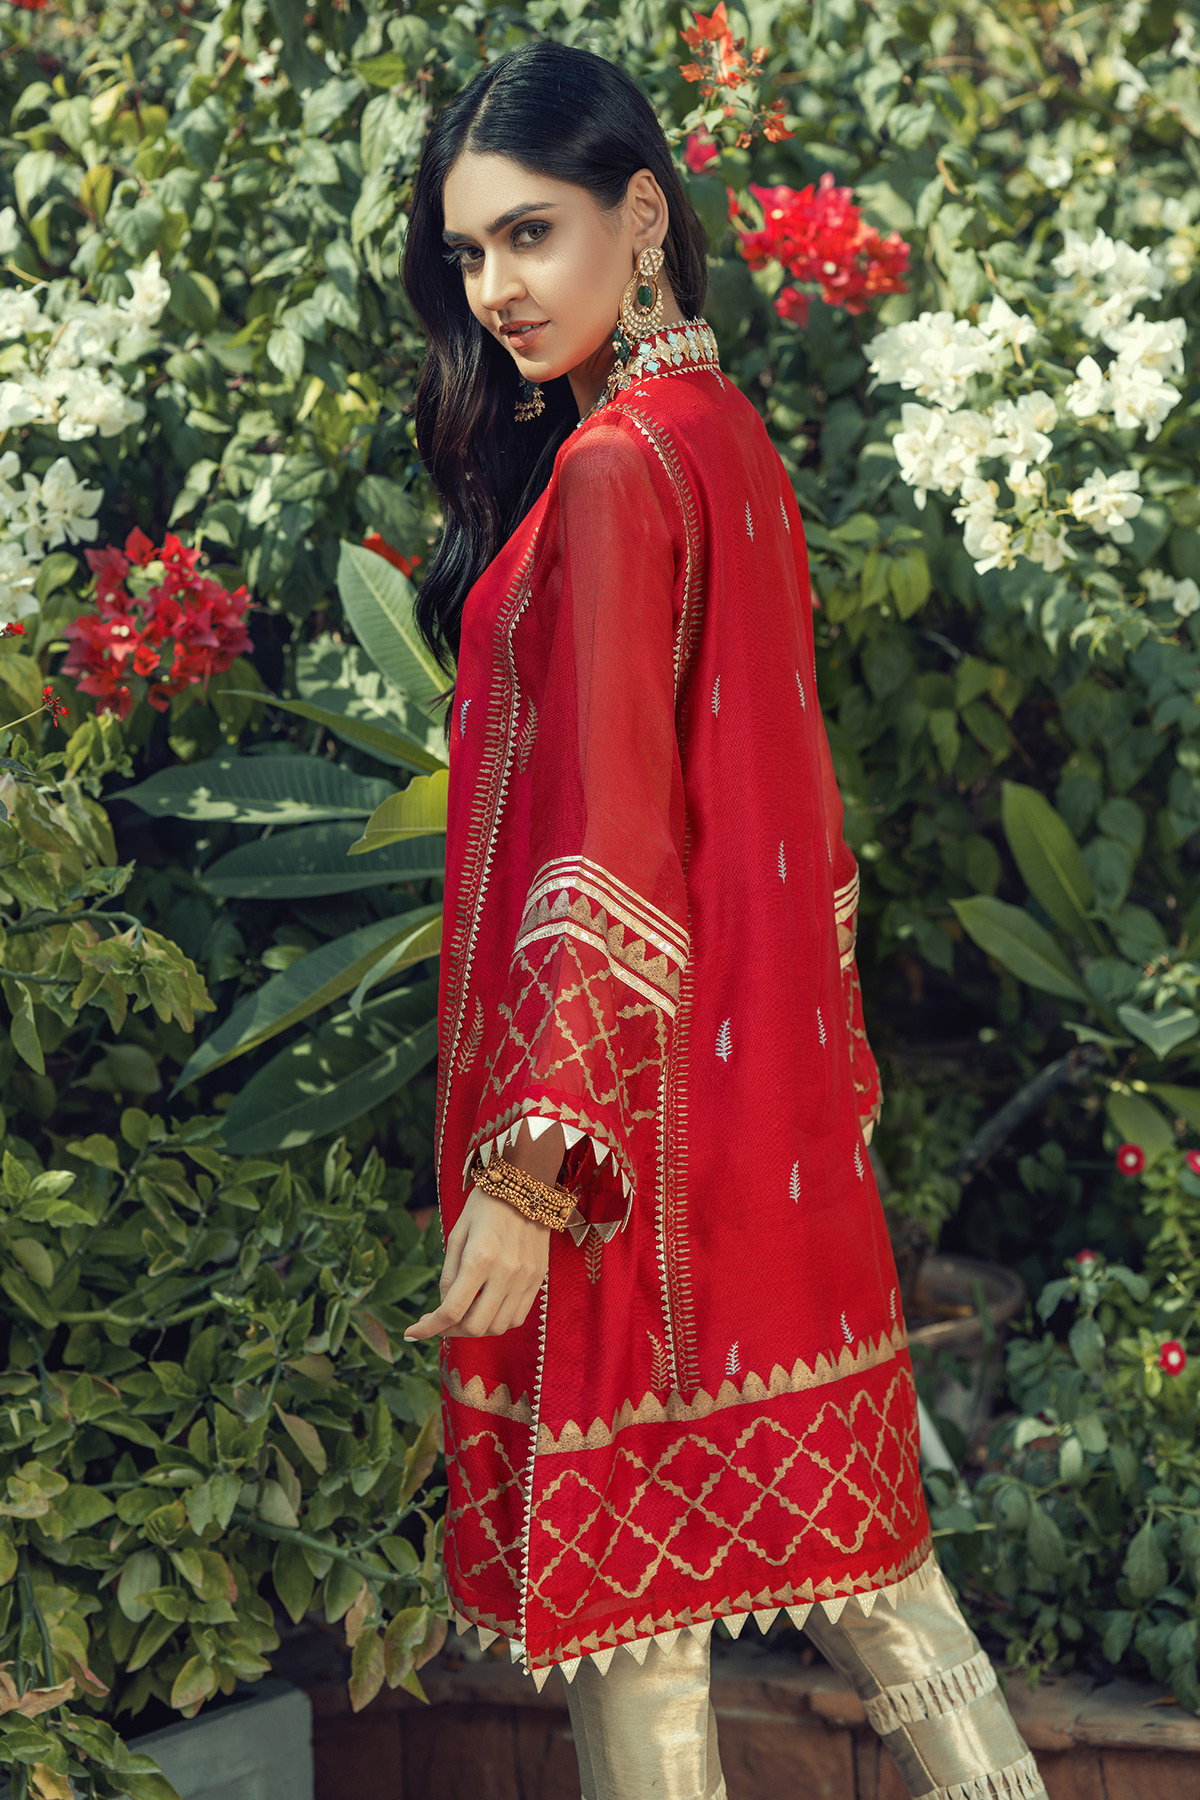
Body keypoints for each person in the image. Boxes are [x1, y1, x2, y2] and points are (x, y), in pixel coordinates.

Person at [400, 38, 1047, 1800]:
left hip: (626, 1158)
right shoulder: (727, 439)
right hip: (764, 1141)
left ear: (640, 217)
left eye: (530, 235)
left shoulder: (618, 470)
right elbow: (789, 826)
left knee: (639, 1645)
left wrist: (534, 1178)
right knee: (890, 1602)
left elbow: (614, 848)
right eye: (469, 253)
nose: (496, 290)